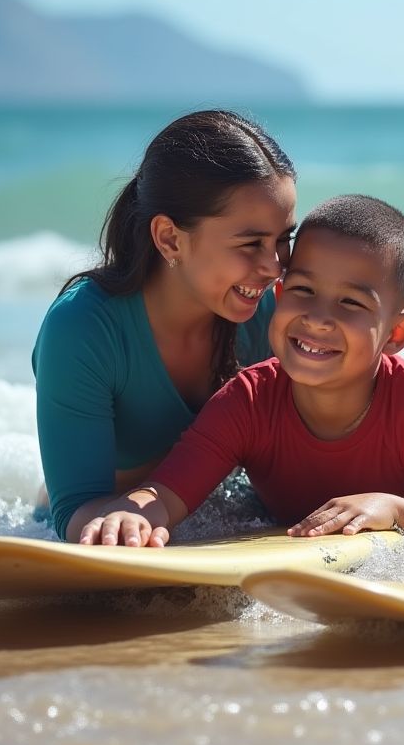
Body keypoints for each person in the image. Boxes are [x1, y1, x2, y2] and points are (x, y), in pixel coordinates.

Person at [78, 194, 404, 547]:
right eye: (303, 291)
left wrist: (396, 511)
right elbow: (166, 494)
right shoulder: (247, 400)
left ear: (397, 332)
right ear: (278, 295)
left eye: (351, 303)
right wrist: (130, 517)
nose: (318, 319)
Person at [33, 110, 298, 543]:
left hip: (204, 514)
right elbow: (75, 507)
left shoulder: (264, 313)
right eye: (251, 243)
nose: (273, 266)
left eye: (282, 240)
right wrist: (130, 529)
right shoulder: (82, 329)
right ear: (170, 238)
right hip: (93, 524)